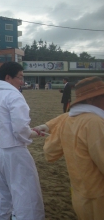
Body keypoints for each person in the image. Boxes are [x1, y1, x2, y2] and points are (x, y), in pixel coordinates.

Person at [34, 76, 104, 220]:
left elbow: (50, 152)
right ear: (90, 100)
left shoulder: (69, 120)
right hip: (99, 195)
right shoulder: (94, 122)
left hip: (79, 191)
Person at [0, 62, 45, 220]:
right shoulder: (14, 95)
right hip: (14, 152)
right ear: (8, 77)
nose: (22, 82)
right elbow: (20, 129)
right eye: (20, 77)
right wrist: (33, 133)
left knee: (4, 196)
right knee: (26, 196)